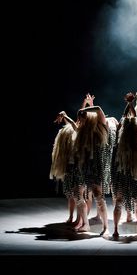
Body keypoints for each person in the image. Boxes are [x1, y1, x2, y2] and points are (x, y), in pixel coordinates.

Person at [57, 102, 110, 236]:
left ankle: (106, 227)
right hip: (83, 167)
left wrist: (83, 109)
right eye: (80, 119)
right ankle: (85, 224)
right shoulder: (82, 131)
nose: (80, 121)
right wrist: (66, 116)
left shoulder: (100, 127)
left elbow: (98, 109)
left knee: (98, 196)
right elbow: (75, 126)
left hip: (95, 168)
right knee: (77, 194)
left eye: (83, 118)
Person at [50, 94, 94, 226]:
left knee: (81, 195)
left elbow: (75, 124)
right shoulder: (78, 128)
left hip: (80, 167)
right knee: (71, 194)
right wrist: (84, 103)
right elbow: (77, 120)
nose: (79, 119)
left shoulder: (85, 131)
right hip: (70, 166)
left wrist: (65, 115)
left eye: (81, 117)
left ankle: (81, 220)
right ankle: (72, 217)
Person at [111, 92, 137, 237]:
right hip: (134, 171)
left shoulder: (120, 138)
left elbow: (126, 119)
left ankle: (115, 230)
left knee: (119, 202)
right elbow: (132, 118)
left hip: (124, 172)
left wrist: (129, 103)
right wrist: (131, 103)